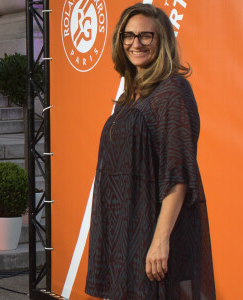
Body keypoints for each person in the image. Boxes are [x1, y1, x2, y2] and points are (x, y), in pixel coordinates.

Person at [85, 3, 216, 300]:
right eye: (128, 36)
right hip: (124, 231)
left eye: (146, 35)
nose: (136, 43)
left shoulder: (173, 91)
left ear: (162, 41)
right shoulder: (128, 97)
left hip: (153, 230)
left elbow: (179, 173)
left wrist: (160, 240)